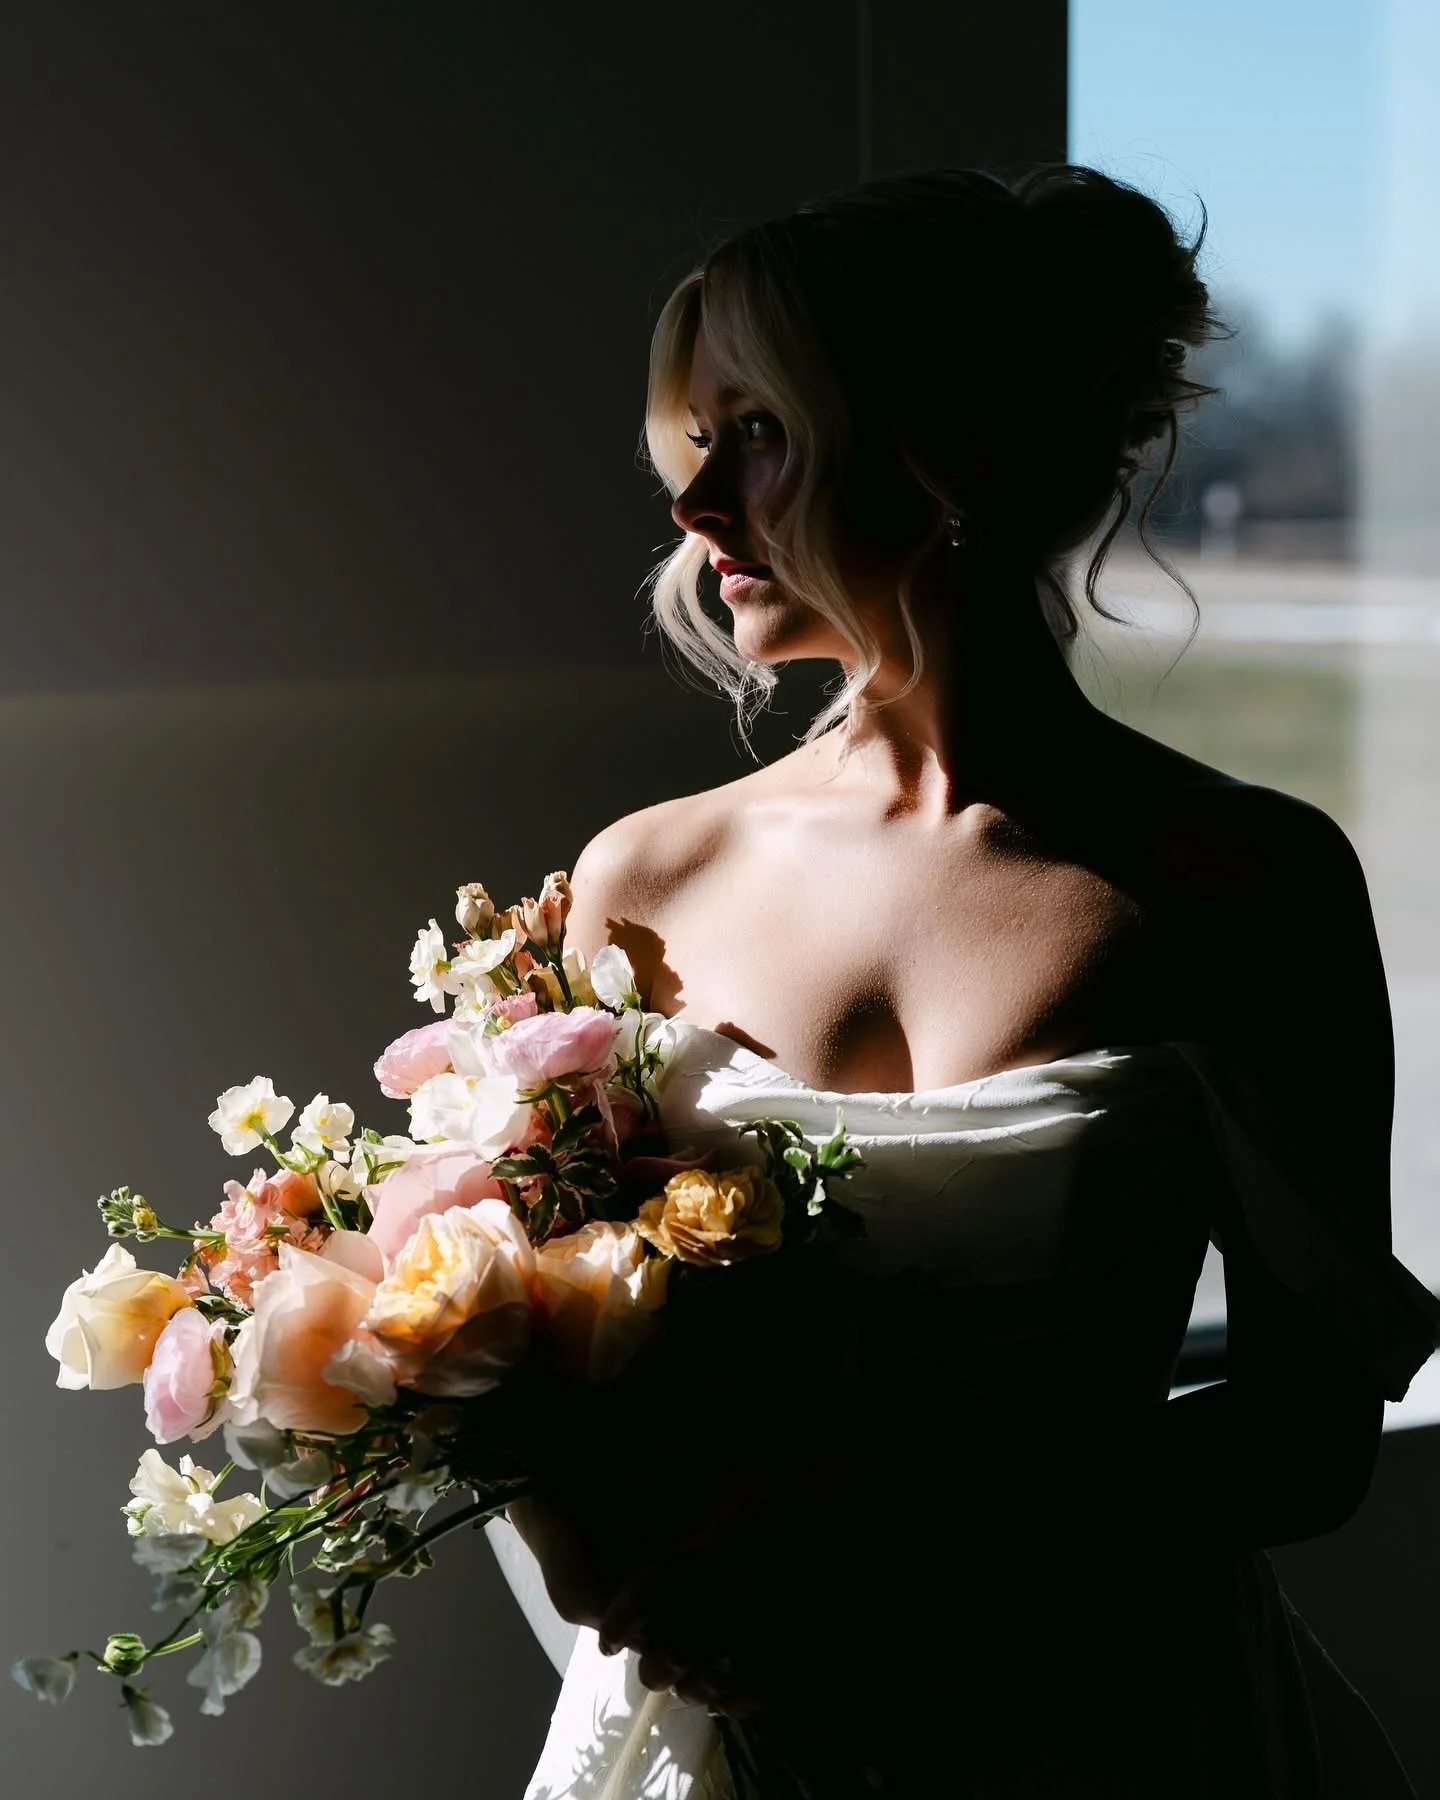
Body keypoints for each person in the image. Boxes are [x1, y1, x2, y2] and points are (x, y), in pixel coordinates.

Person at [502, 165, 1440, 1797]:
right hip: (726, 1717)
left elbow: (1307, 1442)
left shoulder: (1242, 886)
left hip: (1109, 1724)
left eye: (761, 433)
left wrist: (882, 1545)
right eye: (693, 439)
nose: (697, 502)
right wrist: (649, 1581)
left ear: (948, 455)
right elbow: (516, 1359)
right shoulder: (642, 881)